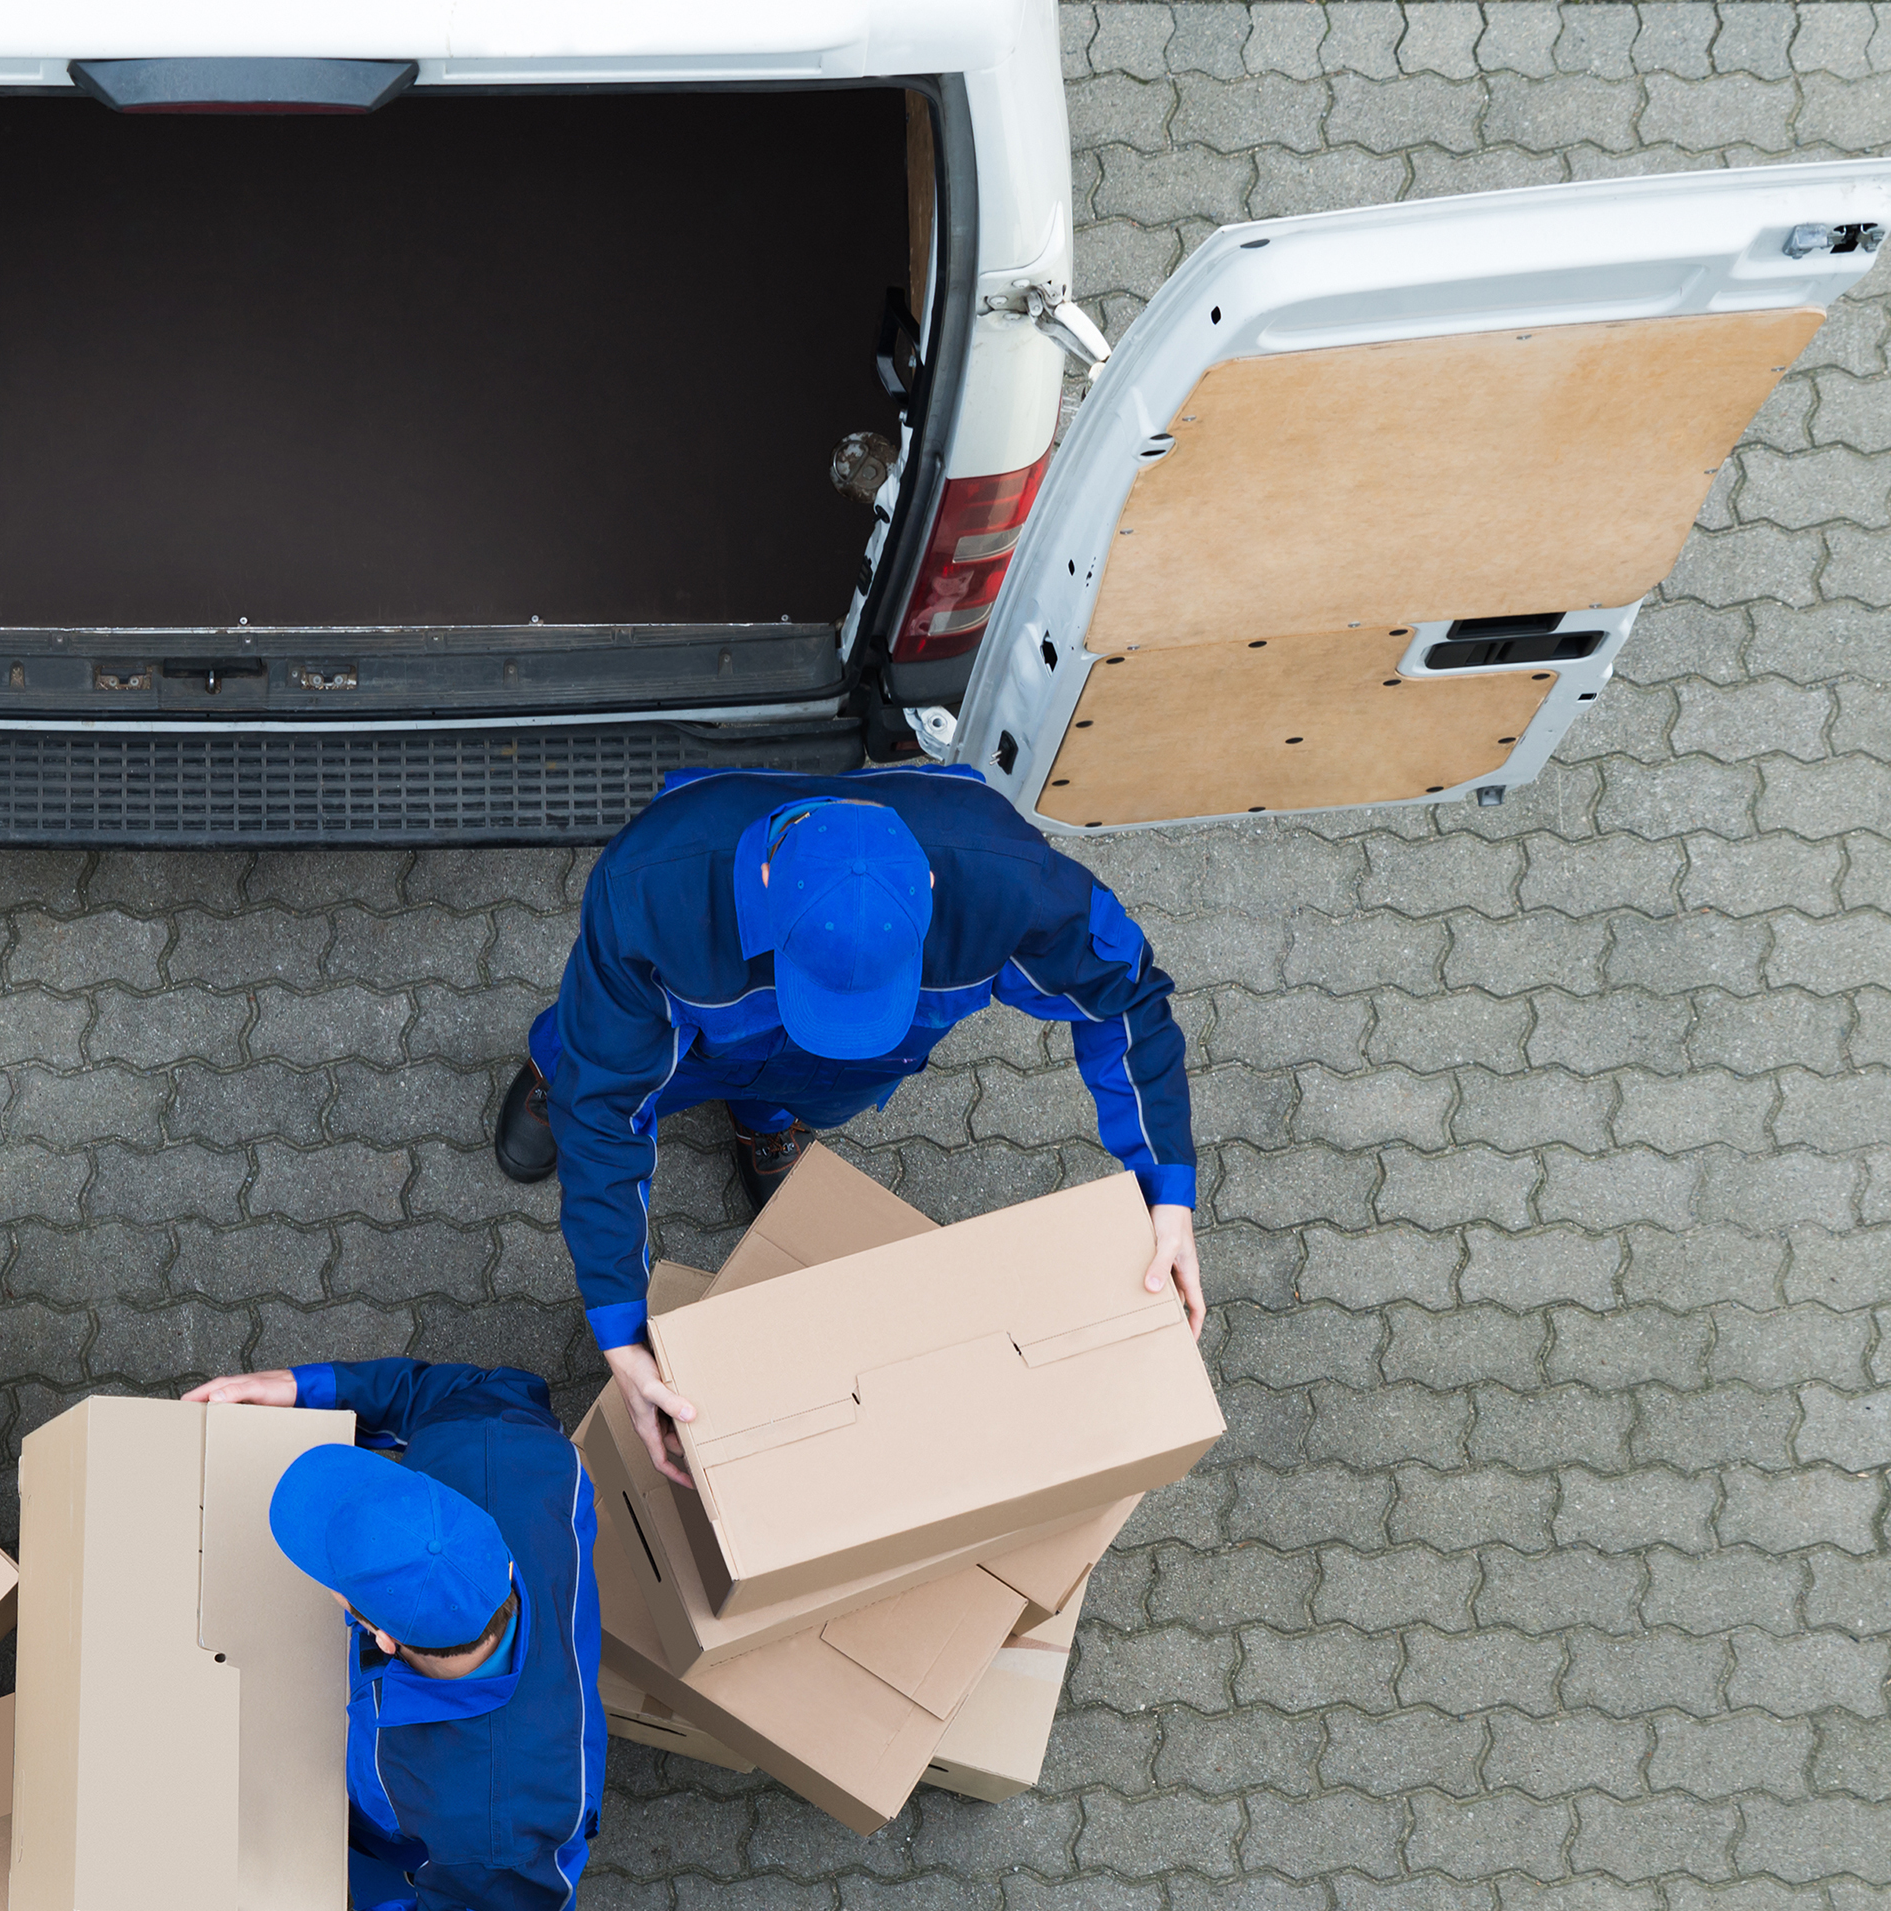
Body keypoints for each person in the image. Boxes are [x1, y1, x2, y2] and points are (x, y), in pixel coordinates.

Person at [491, 763, 1203, 1486]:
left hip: (857, 1071)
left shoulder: (1006, 878)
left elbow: (1124, 1000)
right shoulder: (651, 888)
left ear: (927, 885)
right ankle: (554, 1074)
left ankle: (768, 1117)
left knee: (818, 1092)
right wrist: (619, 1321)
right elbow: (609, 1102)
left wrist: (1165, 1183)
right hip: (694, 1038)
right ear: (766, 880)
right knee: (592, 1065)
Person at [186, 1358, 599, 1911]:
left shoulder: (493, 1832)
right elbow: (474, 1388)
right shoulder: (503, 1449)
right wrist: (301, 1388)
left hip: (409, 1846)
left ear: (378, 1638)